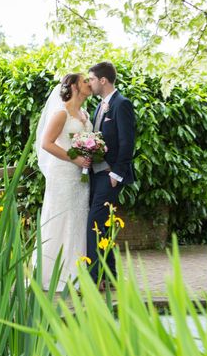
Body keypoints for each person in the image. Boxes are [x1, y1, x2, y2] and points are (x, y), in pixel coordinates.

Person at [33, 73, 93, 291]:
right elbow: (47, 144)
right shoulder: (61, 113)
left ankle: (76, 271)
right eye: (85, 81)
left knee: (78, 219)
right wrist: (75, 158)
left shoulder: (84, 114)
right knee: (60, 218)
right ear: (75, 86)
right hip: (63, 174)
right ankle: (53, 274)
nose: (89, 84)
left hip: (80, 177)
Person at [86, 61, 136, 286]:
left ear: (103, 80)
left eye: (92, 79)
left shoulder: (121, 104)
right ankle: (112, 276)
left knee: (94, 224)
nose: (90, 83)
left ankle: (95, 278)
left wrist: (116, 174)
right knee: (103, 226)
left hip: (110, 176)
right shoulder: (100, 106)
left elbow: (127, 142)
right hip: (97, 175)